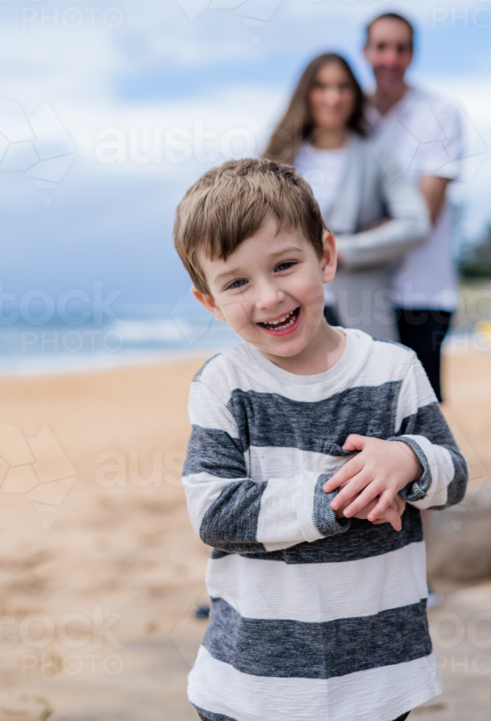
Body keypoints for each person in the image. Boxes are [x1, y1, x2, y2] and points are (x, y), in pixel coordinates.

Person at [172, 158, 468, 721]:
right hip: (257, 683)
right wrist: (338, 495)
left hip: (379, 677)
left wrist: (409, 460)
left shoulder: (392, 368)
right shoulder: (224, 384)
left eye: (285, 265)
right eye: (237, 282)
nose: (268, 297)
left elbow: (453, 476)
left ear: (325, 256)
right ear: (209, 301)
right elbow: (215, 512)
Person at [263, 52, 430, 340]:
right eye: (322, 87)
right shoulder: (280, 154)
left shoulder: (375, 154)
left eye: (343, 87)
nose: (333, 97)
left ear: (355, 94)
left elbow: (416, 224)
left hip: (361, 304)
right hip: (288, 305)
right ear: (306, 93)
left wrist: (343, 249)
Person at [364, 13, 462, 403]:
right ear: (366, 52)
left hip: (423, 292)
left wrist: (344, 244)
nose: (390, 58)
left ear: (413, 55)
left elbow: (423, 216)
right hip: (361, 292)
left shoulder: (438, 114)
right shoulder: (352, 117)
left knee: (422, 413)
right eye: (381, 47)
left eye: (400, 48)